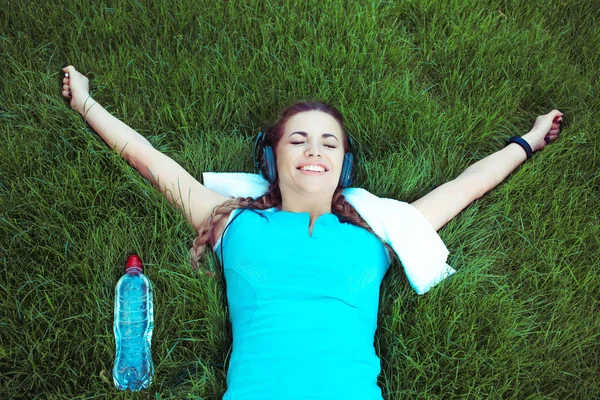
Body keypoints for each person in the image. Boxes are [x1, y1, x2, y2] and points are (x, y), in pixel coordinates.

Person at [61, 65, 563, 399]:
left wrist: (530, 140)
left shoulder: (377, 231)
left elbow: (466, 186)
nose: (314, 151)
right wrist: (84, 102)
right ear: (271, 158)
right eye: (297, 140)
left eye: (329, 143)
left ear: (344, 165)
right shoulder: (232, 221)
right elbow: (149, 160)